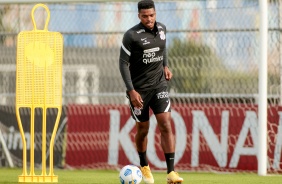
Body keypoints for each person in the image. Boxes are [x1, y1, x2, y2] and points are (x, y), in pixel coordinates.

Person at [118, 0, 183, 184]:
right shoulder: (131, 36)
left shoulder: (162, 29)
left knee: (165, 124)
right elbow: (123, 63)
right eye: (145, 16)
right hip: (139, 91)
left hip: (159, 86)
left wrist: (165, 65)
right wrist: (131, 91)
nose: (149, 19)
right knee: (143, 130)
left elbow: (162, 48)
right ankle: (144, 166)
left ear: (155, 14)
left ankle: (171, 172)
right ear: (139, 16)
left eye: (152, 15)